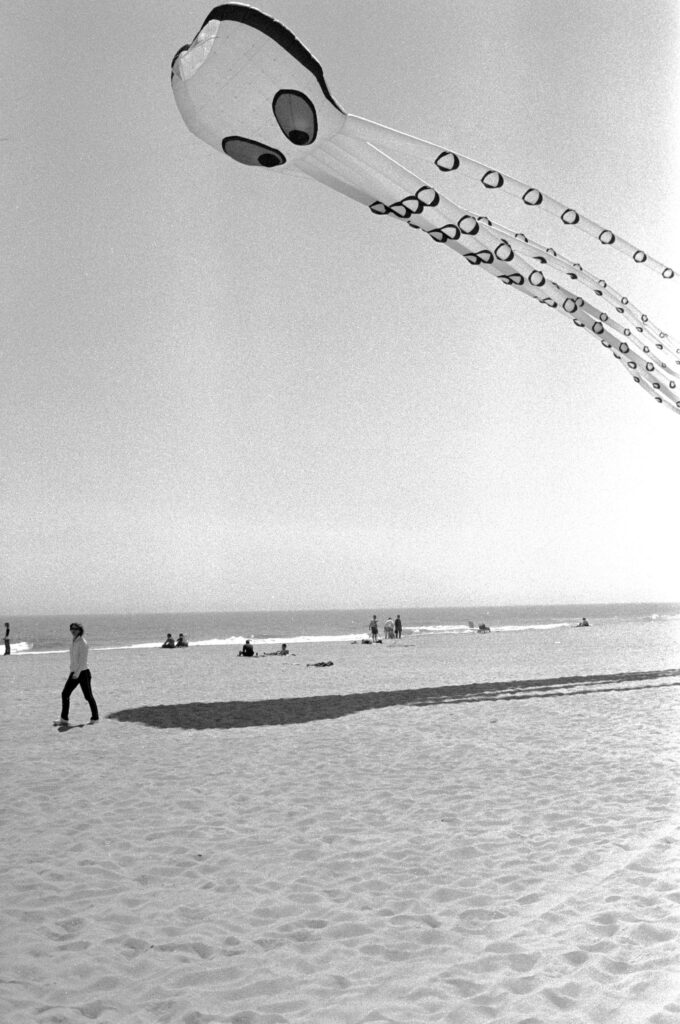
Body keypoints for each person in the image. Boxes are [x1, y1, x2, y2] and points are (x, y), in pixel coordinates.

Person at [56, 623, 99, 725]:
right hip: (74, 672)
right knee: (65, 694)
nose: (73, 630)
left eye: (75, 629)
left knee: (88, 696)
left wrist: (77, 674)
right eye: (71, 628)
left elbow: (82, 661)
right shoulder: (74, 642)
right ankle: (64, 719)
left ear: (80, 630)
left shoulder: (83, 643)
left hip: (83, 673)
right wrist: (72, 670)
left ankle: (95, 718)